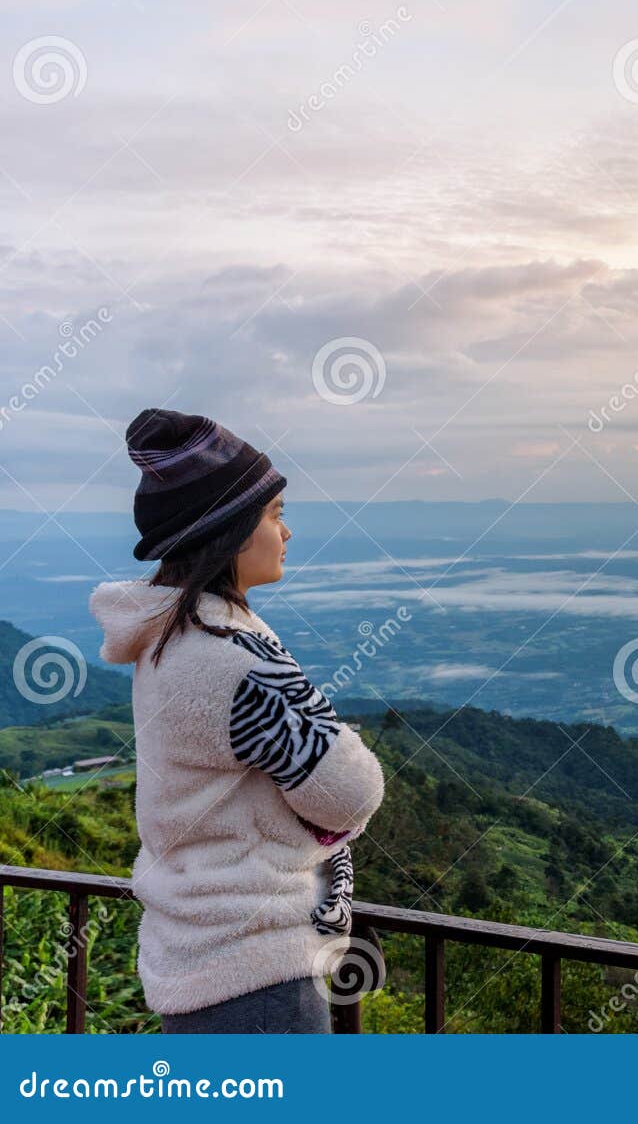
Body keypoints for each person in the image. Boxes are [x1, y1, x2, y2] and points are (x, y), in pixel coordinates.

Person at [88, 408, 385, 1033]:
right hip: (258, 976)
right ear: (232, 530)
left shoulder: (168, 641)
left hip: (196, 958)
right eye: (276, 515)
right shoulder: (234, 658)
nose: (288, 533)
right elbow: (351, 792)